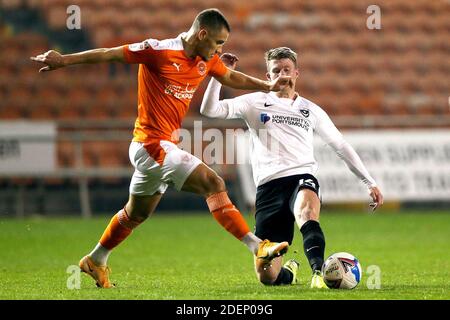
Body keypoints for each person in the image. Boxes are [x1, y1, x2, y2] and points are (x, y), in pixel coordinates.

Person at [30, 9, 292, 288]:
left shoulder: (205, 60)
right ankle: (257, 247)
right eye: (218, 42)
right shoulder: (159, 50)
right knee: (213, 183)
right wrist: (62, 60)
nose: (220, 49)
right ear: (202, 34)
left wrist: (266, 85)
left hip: (161, 147)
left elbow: (231, 77)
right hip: (150, 144)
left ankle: (96, 259)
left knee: (136, 214)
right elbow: (110, 53)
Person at [200, 48, 384, 288]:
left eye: (287, 69)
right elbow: (209, 110)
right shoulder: (254, 102)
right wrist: (218, 74)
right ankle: (289, 272)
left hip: (302, 176)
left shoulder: (311, 110)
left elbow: (340, 145)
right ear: (268, 76)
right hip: (268, 186)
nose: (282, 74)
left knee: (306, 213)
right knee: (267, 276)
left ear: (297, 73)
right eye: (276, 70)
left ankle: (318, 274)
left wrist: (368, 181)